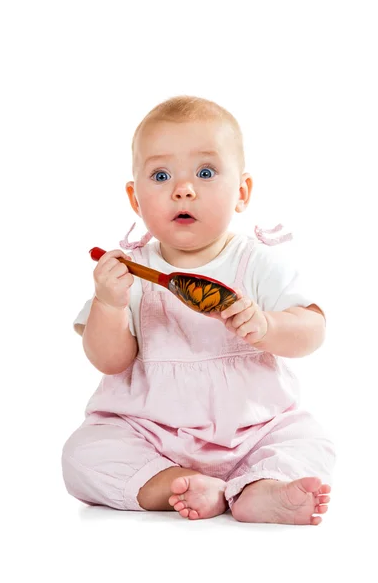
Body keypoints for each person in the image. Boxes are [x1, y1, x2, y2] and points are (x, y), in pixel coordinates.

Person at [62, 95, 335, 525]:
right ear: (135, 199)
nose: (183, 188)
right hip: (149, 433)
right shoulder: (132, 272)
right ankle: (174, 482)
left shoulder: (258, 263)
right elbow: (109, 360)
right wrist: (108, 304)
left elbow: (312, 330)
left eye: (205, 173)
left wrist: (268, 326)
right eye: (161, 174)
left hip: (252, 432)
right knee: (82, 453)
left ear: (242, 192)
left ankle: (262, 487)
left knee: (308, 439)